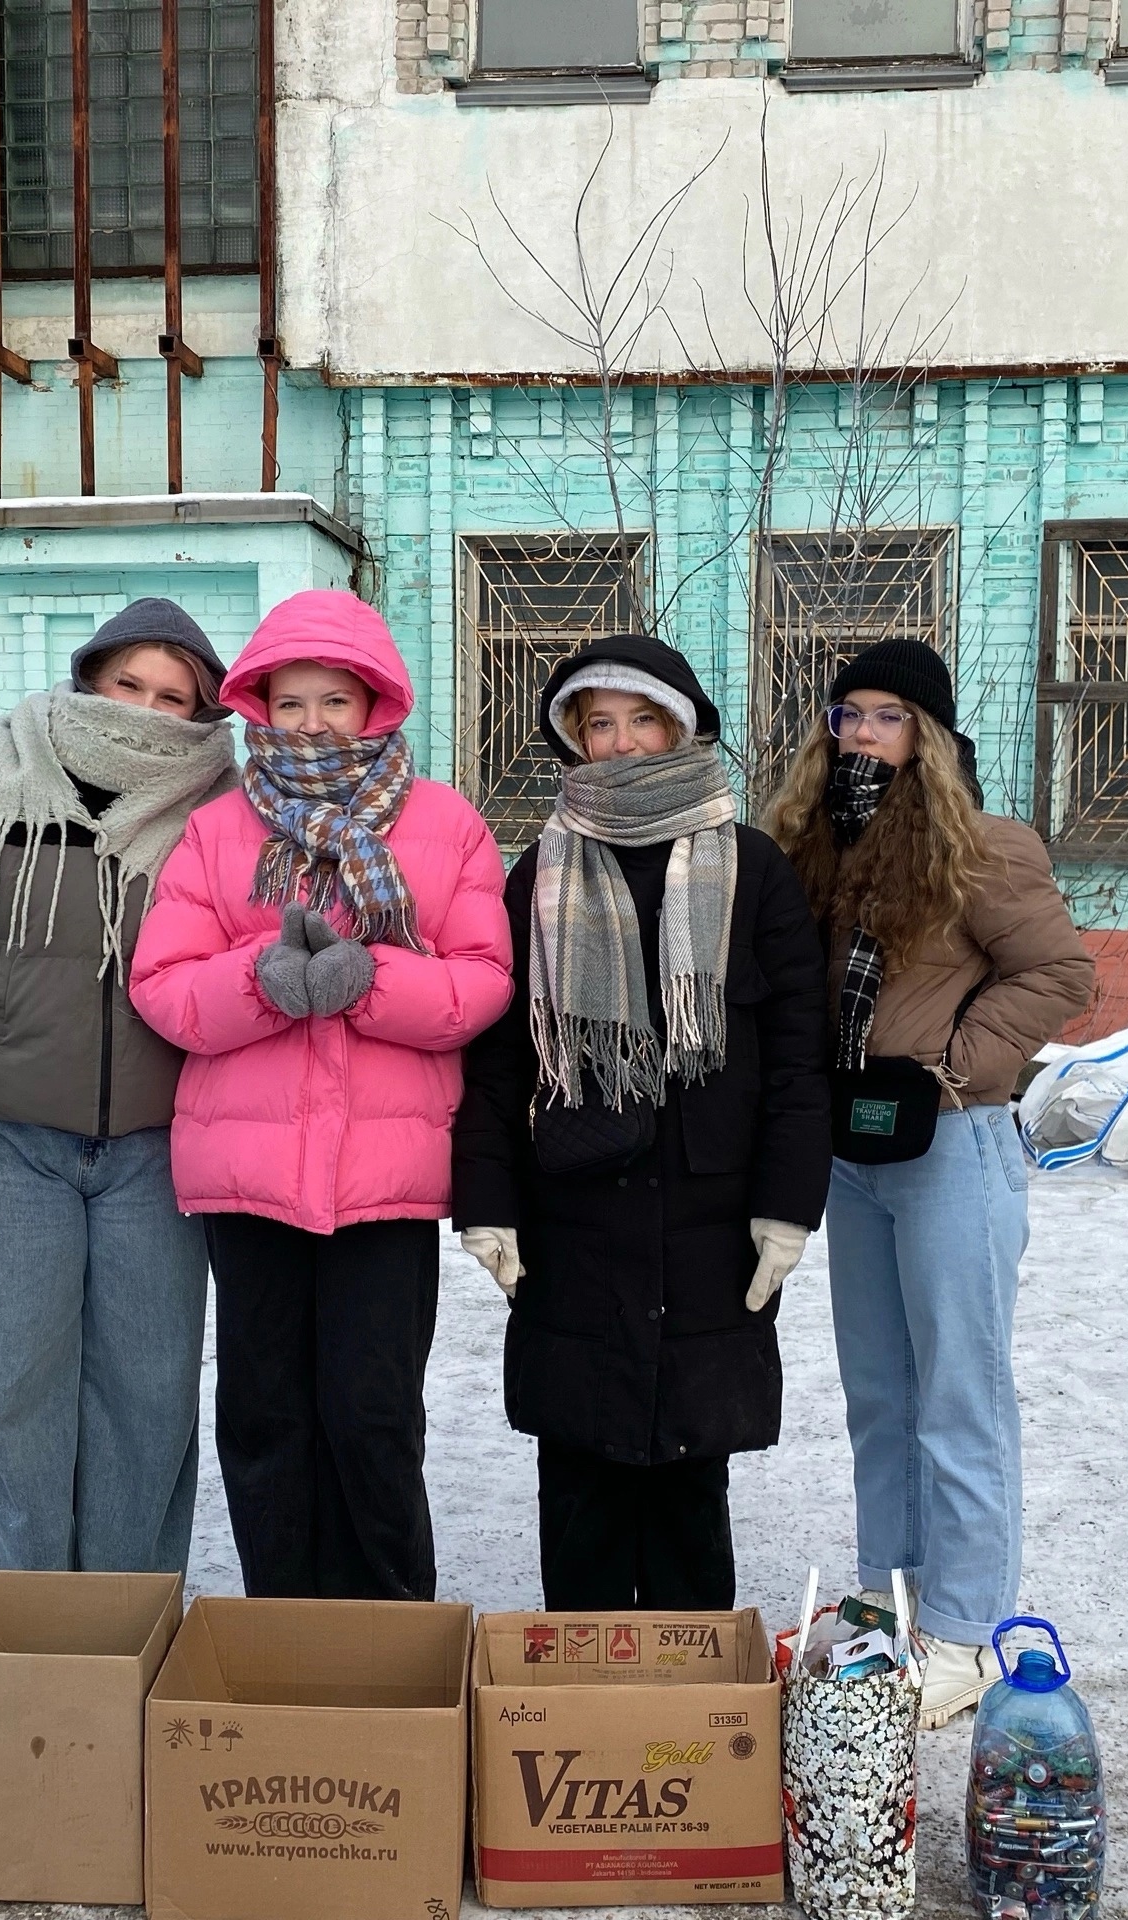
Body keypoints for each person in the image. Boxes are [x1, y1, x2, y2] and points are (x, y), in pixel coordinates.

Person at [129, 588, 513, 1601]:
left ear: (374, 707)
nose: (310, 723)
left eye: (333, 701)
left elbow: (482, 982)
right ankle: (283, 1627)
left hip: (383, 1178)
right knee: (264, 1417)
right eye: (290, 702)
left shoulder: (446, 825)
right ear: (258, 707)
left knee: (372, 1414)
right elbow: (164, 989)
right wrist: (262, 980)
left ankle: (390, 1628)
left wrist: (370, 982)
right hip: (247, 1175)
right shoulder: (217, 831)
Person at [0, 598, 239, 1573]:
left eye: (173, 698)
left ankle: (128, 1616)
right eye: (129, 685)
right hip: (8, 1144)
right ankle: (21, 1626)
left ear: (201, 716)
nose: (148, 711)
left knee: (147, 1396)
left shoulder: (222, 812)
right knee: (13, 1388)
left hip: (159, 1150)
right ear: (89, 678)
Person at [453, 634, 831, 1611]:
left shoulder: (751, 869)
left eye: (640, 720)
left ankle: (690, 1722)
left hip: (710, 1222)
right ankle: (581, 1715)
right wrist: (485, 1202)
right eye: (597, 724)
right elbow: (499, 1059)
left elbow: (796, 1058)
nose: (618, 744)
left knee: (687, 1475)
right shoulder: (538, 872)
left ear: (684, 726)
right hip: (572, 1217)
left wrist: (787, 1209)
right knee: (577, 1473)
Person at [764, 637, 1095, 1729]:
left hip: (954, 1144)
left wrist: (961, 1062)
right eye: (847, 712)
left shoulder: (982, 846)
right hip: (853, 1156)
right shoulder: (810, 846)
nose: (861, 732)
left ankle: (962, 1628)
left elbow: (1058, 972)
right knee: (878, 1394)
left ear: (932, 736)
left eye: (887, 715)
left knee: (960, 1395)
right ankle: (887, 1598)